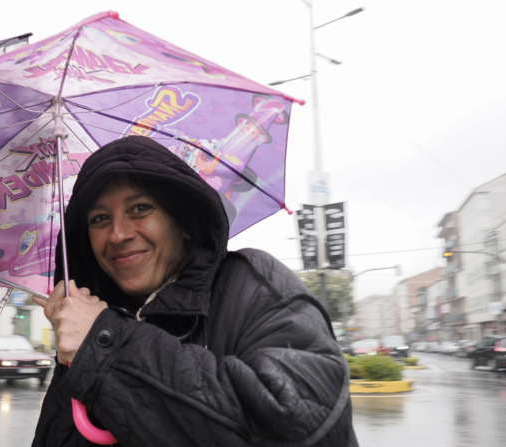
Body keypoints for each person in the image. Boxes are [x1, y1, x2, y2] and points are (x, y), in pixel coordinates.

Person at [31, 136, 357, 446]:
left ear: (185, 223)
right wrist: (75, 357)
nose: (117, 234)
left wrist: (105, 345)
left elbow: (304, 426)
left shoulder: (257, 286)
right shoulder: (94, 320)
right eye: (100, 218)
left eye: (140, 209)